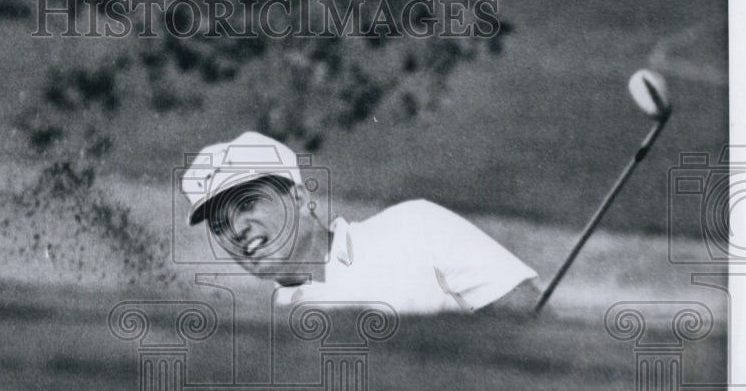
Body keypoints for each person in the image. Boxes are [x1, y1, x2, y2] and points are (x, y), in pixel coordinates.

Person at [181, 131, 541, 314]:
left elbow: (524, 309)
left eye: (247, 204)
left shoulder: (414, 224)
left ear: (301, 198)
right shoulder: (278, 332)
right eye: (218, 225)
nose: (235, 229)